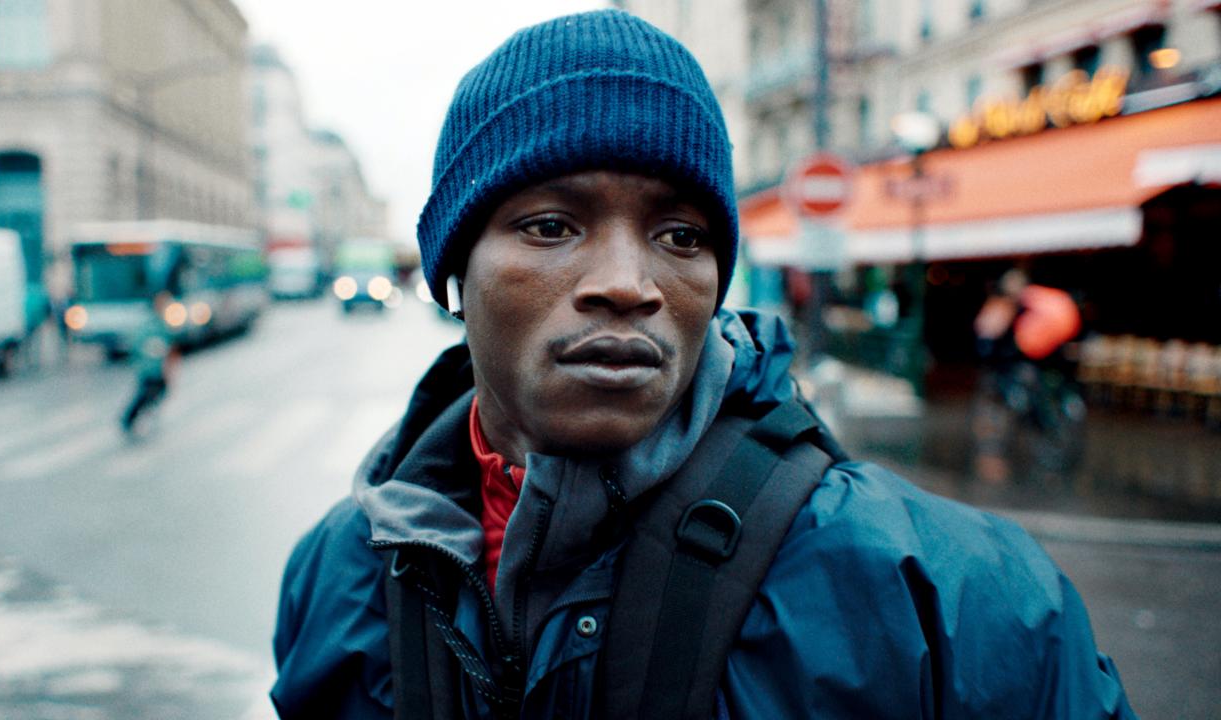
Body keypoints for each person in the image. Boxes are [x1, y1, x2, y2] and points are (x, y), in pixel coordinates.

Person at [271, 10, 1135, 719]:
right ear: (454, 272)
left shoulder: (955, 599)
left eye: (680, 235)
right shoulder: (338, 574)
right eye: (550, 226)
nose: (625, 284)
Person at [120, 292, 178, 435]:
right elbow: (137, 346)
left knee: (156, 392)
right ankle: (129, 418)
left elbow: (171, 347)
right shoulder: (149, 325)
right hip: (148, 369)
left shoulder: (163, 325)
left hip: (158, 369)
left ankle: (145, 413)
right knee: (144, 394)